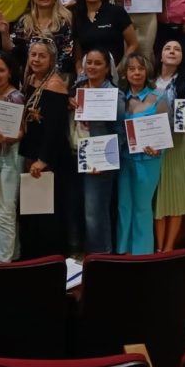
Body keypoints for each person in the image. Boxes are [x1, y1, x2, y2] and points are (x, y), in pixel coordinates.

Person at [19, 39, 76, 257]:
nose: (36, 59)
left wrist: (43, 159)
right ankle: (32, 257)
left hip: (50, 158)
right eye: (33, 55)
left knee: (47, 212)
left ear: (51, 60)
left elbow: (55, 128)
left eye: (42, 56)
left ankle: (50, 259)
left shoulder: (55, 85)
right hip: (32, 151)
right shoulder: (31, 79)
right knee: (32, 209)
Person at [70, 48, 121, 254]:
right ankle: (87, 254)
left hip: (99, 161)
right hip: (75, 154)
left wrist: (104, 160)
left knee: (95, 212)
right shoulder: (76, 88)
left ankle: (100, 257)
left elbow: (120, 132)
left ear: (107, 68)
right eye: (89, 62)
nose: (92, 66)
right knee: (79, 209)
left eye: (98, 63)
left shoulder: (114, 95)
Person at [116, 53, 167, 255]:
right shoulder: (120, 98)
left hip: (148, 159)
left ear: (147, 71)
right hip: (123, 158)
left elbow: (166, 132)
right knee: (123, 205)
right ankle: (123, 251)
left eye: (140, 68)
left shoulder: (159, 97)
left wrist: (159, 148)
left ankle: (142, 253)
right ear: (125, 73)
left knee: (142, 206)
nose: (136, 72)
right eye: (131, 69)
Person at [154, 41, 185, 252]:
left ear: (182, 57)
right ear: (160, 55)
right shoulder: (149, 81)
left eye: (177, 49)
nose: (172, 51)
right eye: (168, 48)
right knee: (158, 199)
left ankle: (168, 249)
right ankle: (158, 248)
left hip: (180, 146)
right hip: (155, 146)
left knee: (176, 199)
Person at [0, 52, 25, 262]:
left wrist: (5, 139)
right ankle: (13, 255)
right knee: (2, 210)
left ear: (10, 73)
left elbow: (21, 132)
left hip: (11, 157)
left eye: (1, 70)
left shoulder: (15, 96)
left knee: (5, 210)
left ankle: (3, 262)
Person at [2, 0, 74, 76]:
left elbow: (68, 53)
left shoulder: (65, 21)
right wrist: (4, 33)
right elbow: (11, 49)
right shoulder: (24, 22)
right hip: (28, 76)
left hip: (58, 76)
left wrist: (51, 77)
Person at [71, 0, 137, 72]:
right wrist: (79, 70)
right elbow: (77, 50)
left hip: (114, 73)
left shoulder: (116, 12)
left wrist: (120, 68)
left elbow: (133, 44)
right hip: (87, 74)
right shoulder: (77, 15)